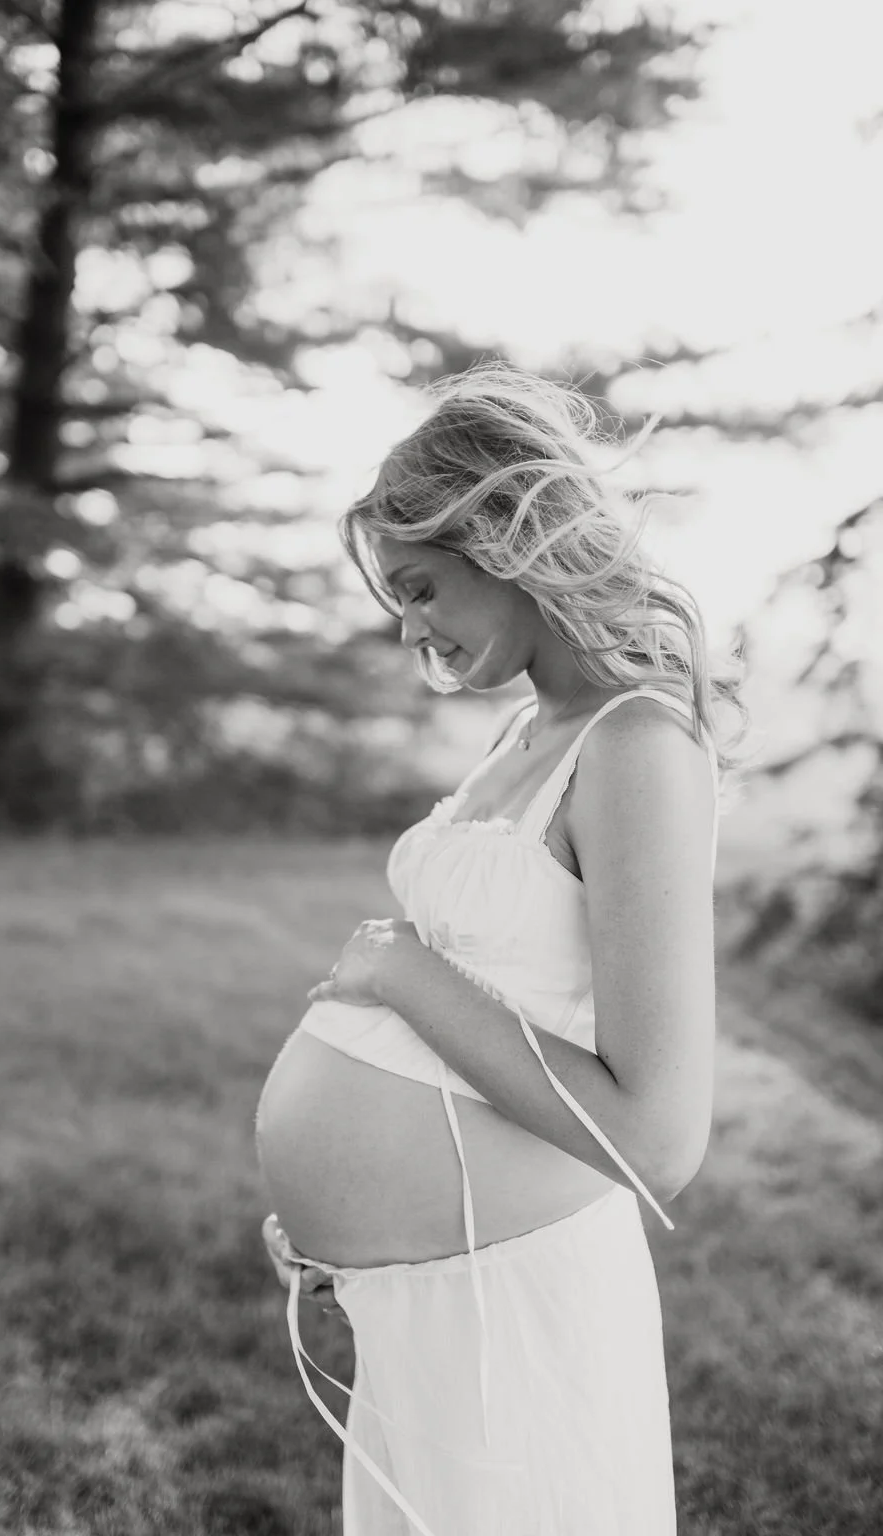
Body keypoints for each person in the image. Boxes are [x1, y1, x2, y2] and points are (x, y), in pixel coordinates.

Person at [256, 361, 746, 1535]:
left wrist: (399, 974)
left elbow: (657, 1138)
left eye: (421, 588)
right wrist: (356, 1239)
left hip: (517, 1310)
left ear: (504, 538)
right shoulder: (532, 730)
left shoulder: (635, 747)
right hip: (438, 1292)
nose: (410, 628)